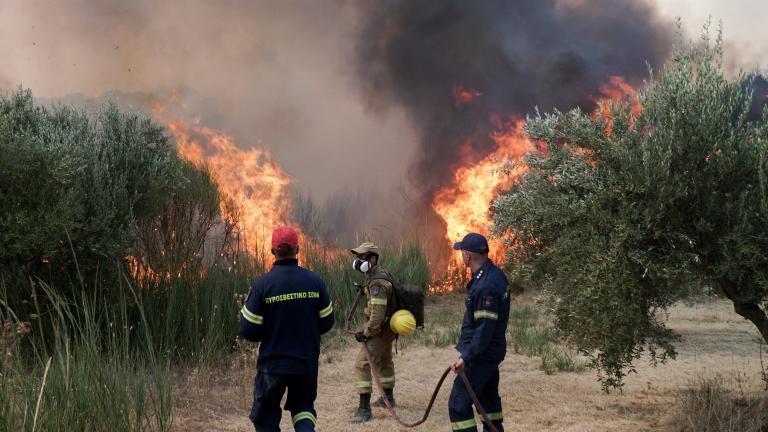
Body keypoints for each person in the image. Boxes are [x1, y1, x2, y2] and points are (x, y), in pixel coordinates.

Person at [239, 226, 335, 432]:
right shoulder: (314, 281)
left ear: (273, 251)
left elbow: (247, 329)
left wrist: (270, 333)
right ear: (297, 250)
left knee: (265, 416)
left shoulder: (262, 285)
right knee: (303, 407)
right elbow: (328, 321)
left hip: (273, 364)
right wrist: (307, 332)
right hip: (305, 362)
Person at [448, 233, 511, 432]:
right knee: (488, 403)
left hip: (482, 355)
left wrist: (466, 357)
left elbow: (484, 329)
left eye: (462, 252)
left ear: (468, 255)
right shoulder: (494, 275)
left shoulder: (486, 286)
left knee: (458, 405)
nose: (461, 255)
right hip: (489, 353)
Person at [349, 241, 397, 423]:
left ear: (373, 259)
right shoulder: (378, 275)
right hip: (389, 328)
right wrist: (364, 291)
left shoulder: (377, 283)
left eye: (362, 257)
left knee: (362, 364)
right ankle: (388, 398)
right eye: (358, 257)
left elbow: (377, 316)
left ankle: (364, 410)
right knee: (384, 360)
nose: (358, 261)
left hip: (380, 329)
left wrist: (366, 332)